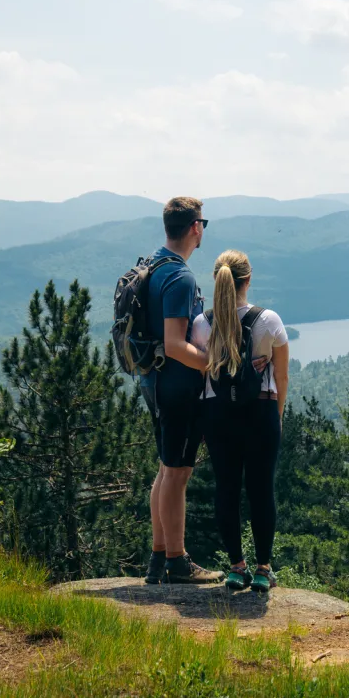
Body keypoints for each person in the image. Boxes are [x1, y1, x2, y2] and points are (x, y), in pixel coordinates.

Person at [193, 250, 290, 593]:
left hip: (218, 416)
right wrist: (275, 419)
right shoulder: (269, 320)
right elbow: (282, 377)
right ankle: (263, 570)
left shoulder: (202, 325)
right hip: (260, 412)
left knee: (227, 489)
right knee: (262, 490)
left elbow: (199, 376)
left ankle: (236, 568)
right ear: (247, 280)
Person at [140, 197, 223, 585]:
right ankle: (176, 560)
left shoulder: (153, 264)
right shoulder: (180, 277)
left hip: (154, 381)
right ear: (194, 227)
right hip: (175, 386)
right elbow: (175, 344)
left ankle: (159, 557)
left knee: (165, 469)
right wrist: (215, 364)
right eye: (202, 222)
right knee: (178, 473)